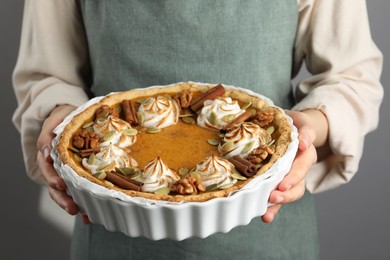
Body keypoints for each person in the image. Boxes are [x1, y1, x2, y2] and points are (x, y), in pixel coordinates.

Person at [12, 0, 383, 259]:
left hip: (269, 222)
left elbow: (351, 76)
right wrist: (58, 118)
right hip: (114, 229)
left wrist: (310, 128)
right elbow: (48, 74)